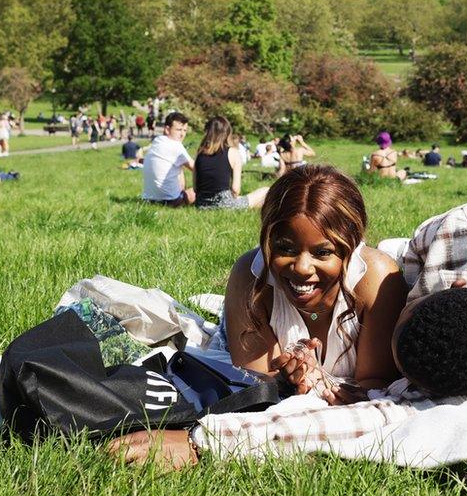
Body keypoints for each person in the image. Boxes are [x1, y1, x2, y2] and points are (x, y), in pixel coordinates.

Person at [106, 196, 467, 468]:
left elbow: (373, 418)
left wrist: (205, 442)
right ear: (444, 286)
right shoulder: (461, 231)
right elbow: (402, 264)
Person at [107, 166, 411, 467]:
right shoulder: (250, 277)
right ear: (267, 241)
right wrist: (289, 380)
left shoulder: (377, 280)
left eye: (322, 253)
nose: (302, 267)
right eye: (285, 248)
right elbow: (252, 384)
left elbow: (373, 386)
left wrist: (324, 386)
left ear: (351, 247)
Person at [193, 116, 269, 210]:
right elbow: (235, 190)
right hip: (225, 204)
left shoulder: (199, 153)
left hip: (201, 205)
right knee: (266, 191)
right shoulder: (233, 152)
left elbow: (195, 188)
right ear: (227, 133)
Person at [141, 112, 196, 207]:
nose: (182, 134)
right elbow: (198, 169)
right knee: (199, 191)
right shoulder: (176, 145)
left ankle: (180, 192)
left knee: (178, 164)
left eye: (185, 130)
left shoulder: (157, 141)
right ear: (167, 129)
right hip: (171, 201)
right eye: (179, 130)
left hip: (148, 201)